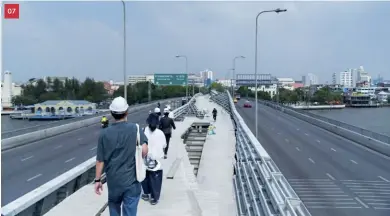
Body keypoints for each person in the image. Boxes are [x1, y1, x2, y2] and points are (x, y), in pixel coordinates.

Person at [95, 96, 149, 216]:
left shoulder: (104, 133)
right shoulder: (135, 129)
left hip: (114, 182)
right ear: (126, 112)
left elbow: (100, 160)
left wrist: (98, 180)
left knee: (114, 208)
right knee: (130, 211)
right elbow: (144, 150)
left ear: (111, 113)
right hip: (132, 182)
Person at [141, 113, 166, 205]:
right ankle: (154, 198)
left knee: (145, 177)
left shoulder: (143, 131)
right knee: (155, 179)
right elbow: (164, 145)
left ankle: (147, 194)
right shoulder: (160, 133)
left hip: (146, 159)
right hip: (156, 160)